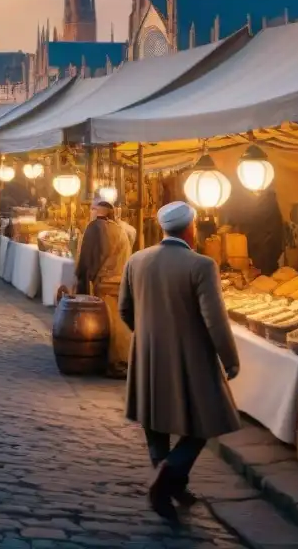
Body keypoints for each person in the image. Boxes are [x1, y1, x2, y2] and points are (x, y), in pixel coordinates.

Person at [119, 201, 240, 521]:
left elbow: (124, 310)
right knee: (205, 419)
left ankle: (169, 481)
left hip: (146, 354)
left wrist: (146, 335)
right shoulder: (201, 265)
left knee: (154, 421)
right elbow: (214, 319)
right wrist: (229, 358)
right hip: (190, 356)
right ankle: (169, 475)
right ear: (191, 228)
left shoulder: (137, 259)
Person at [75, 199, 133, 378]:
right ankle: (124, 359)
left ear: (98, 212)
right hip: (120, 281)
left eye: (92, 209)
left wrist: (83, 276)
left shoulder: (95, 228)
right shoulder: (120, 229)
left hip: (104, 283)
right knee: (119, 322)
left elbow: (88, 257)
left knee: (110, 323)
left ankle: (115, 362)